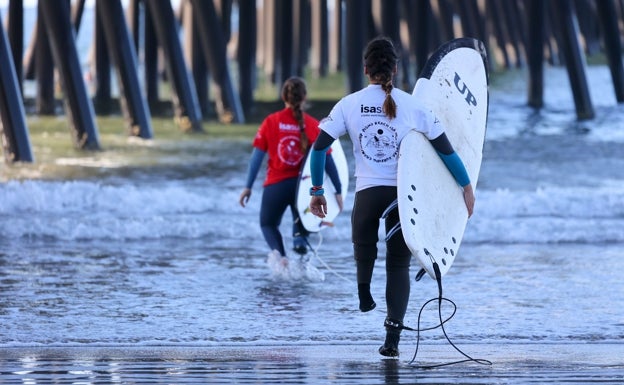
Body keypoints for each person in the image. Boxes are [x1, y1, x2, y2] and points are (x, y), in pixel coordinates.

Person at [308, 37, 475, 357]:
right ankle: (392, 340)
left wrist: (317, 191)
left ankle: (363, 292)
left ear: (365, 69)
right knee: (398, 264)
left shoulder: (348, 104)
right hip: (402, 197)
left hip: (367, 196)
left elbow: (319, 150)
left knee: (363, 243)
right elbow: (446, 153)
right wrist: (466, 187)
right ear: (395, 70)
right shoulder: (415, 107)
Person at [240, 76, 343, 263]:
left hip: (275, 186)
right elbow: (327, 159)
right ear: (304, 97)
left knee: (268, 224)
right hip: (301, 188)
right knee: (302, 218)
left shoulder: (271, 121)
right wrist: (338, 190)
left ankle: (281, 257)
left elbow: (256, 158)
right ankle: (299, 239)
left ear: (283, 96)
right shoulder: (313, 124)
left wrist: (248, 186)